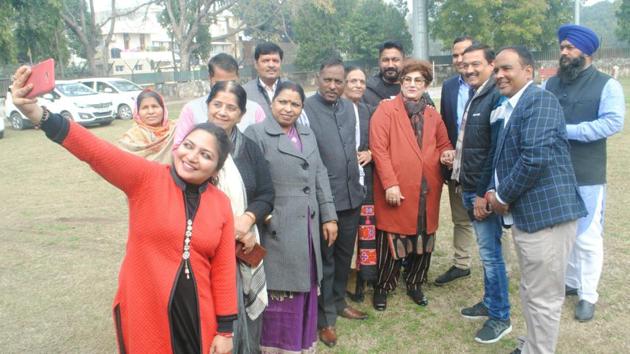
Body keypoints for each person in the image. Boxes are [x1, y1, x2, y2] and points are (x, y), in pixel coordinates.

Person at [11, 65, 238, 354]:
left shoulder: (220, 204)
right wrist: (38, 114)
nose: (192, 157)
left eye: (205, 155)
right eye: (189, 146)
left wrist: (225, 329)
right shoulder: (147, 179)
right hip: (147, 311)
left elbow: (223, 270)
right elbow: (93, 150)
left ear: (217, 168)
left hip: (198, 317)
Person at [487, 46, 587, 354]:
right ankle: (531, 345)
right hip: (531, 217)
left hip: (548, 218)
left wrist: (502, 194)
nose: (500, 74)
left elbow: (534, 158)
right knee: (532, 289)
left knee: (543, 297)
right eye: (497, 70)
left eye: (507, 68)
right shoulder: (515, 104)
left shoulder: (540, 100)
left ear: (528, 71)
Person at [180, 81, 274, 354]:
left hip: (244, 244)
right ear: (207, 106)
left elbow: (267, 193)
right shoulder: (192, 149)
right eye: (217, 104)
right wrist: (224, 229)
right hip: (203, 249)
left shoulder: (249, 148)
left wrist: (246, 220)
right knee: (211, 315)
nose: (223, 112)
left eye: (231, 107)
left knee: (246, 313)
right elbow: (183, 197)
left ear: (241, 115)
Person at [244, 81, 339, 354]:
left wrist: (329, 216)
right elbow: (250, 182)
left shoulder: (307, 134)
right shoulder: (256, 134)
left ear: (301, 107)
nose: (288, 108)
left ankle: (301, 344)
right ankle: (276, 347)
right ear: (272, 103)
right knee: (280, 289)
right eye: (282, 102)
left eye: (295, 104)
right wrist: (259, 216)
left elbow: (320, 174)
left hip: (307, 226)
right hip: (276, 225)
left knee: (305, 285)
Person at [543, 24, 625, 322]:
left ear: (586, 51)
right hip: (553, 171)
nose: (563, 53)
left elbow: (613, 122)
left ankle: (588, 294)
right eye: (562, 48)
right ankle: (573, 282)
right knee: (565, 231)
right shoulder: (551, 84)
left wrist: (568, 131)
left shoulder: (607, 85)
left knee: (587, 235)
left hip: (587, 171)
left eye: (569, 47)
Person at [370, 59, 454, 311]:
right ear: (401, 82)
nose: (412, 84)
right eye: (407, 79)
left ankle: (415, 282)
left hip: (427, 188)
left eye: (418, 80)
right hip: (397, 186)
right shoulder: (385, 110)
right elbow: (379, 149)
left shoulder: (432, 113)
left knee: (423, 234)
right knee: (391, 238)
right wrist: (390, 184)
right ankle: (383, 286)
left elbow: (443, 144)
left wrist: (446, 154)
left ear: (426, 84)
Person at [304, 58, 367, 348]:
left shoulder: (349, 108)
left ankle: (340, 301)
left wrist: (360, 184)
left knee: (344, 257)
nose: (332, 86)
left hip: (352, 196)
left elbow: (355, 150)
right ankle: (325, 318)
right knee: (325, 261)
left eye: (338, 81)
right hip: (324, 201)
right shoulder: (305, 110)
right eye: (327, 80)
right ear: (318, 78)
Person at [451, 44, 511, 344]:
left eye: (476, 64)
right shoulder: (477, 94)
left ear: (492, 64)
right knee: (486, 253)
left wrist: (481, 193)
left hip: (481, 192)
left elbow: (494, 152)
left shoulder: (495, 97)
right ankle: (490, 301)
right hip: (470, 186)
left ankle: (500, 316)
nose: (469, 69)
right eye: (465, 64)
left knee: (491, 256)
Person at [435, 36, 476, 287]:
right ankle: (462, 263)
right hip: (455, 165)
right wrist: (447, 150)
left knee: (492, 218)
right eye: (455, 55)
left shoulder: (492, 84)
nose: (460, 60)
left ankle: (501, 267)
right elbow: (445, 124)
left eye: (465, 54)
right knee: (460, 217)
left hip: (484, 165)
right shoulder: (449, 86)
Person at [174, 53, 266, 148]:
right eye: (220, 83)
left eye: (232, 82)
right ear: (210, 78)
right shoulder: (191, 109)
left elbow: (265, 146)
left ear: (238, 77)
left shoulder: (255, 110)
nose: (226, 88)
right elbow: (178, 147)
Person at [342, 66, 376, 303]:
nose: (357, 85)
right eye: (352, 80)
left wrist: (371, 153)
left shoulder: (368, 110)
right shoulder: (334, 109)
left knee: (365, 231)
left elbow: (380, 140)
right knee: (346, 232)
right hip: (342, 180)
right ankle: (343, 279)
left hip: (366, 179)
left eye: (361, 81)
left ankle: (360, 278)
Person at [118, 89, 176, 163]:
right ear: (137, 112)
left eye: (155, 106)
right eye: (145, 108)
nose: (151, 112)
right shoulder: (131, 138)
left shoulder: (176, 130)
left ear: (163, 109)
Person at [243, 42, 285, 120]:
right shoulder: (245, 92)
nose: (271, 65)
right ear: (256, 64)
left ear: (281, 64)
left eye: (275, 61)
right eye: (266, 61)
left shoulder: (291, 89)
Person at [362, 40, 405, 111]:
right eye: (385, 60)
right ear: (379, 62)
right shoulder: (367, 92)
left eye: (395, 60)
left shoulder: (414, 89)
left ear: (403, 61)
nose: (390, 65)